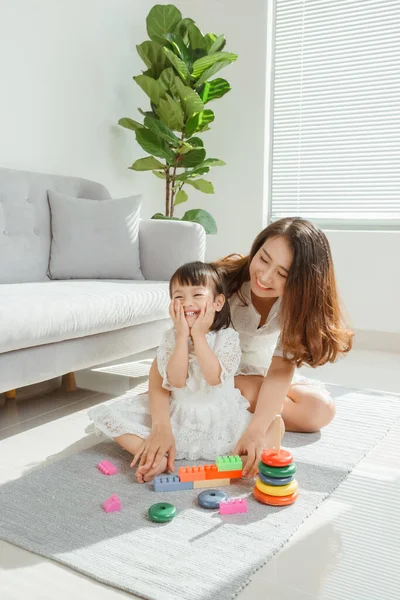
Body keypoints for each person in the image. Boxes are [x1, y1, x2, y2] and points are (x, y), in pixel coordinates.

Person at [137, 217, 353, 480]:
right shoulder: (218, 286)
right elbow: (168, 355)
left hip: (258, 372)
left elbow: (280, 368)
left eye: (282, 274)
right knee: (248, 390)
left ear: (302, 282)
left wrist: (257, 430)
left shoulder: (296, 305)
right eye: (263, 259)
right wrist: (161, 426)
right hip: (214, 373)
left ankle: (249, 412)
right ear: (256, 248)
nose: (265, 276)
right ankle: (237, 410)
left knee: (320, 409)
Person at [88, 261, 275, 482]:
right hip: (179, 416)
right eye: (179, 297)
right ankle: (153, 456)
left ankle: (249, 460)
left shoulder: (227, 338)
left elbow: (214, 378)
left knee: (275, 424)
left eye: (197, 295)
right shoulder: (170, 338)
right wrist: (181, 338)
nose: (187, 302)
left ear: (217, 302)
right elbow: (176, 381)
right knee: (109, 416)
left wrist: (198, 335)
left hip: (219, 416)